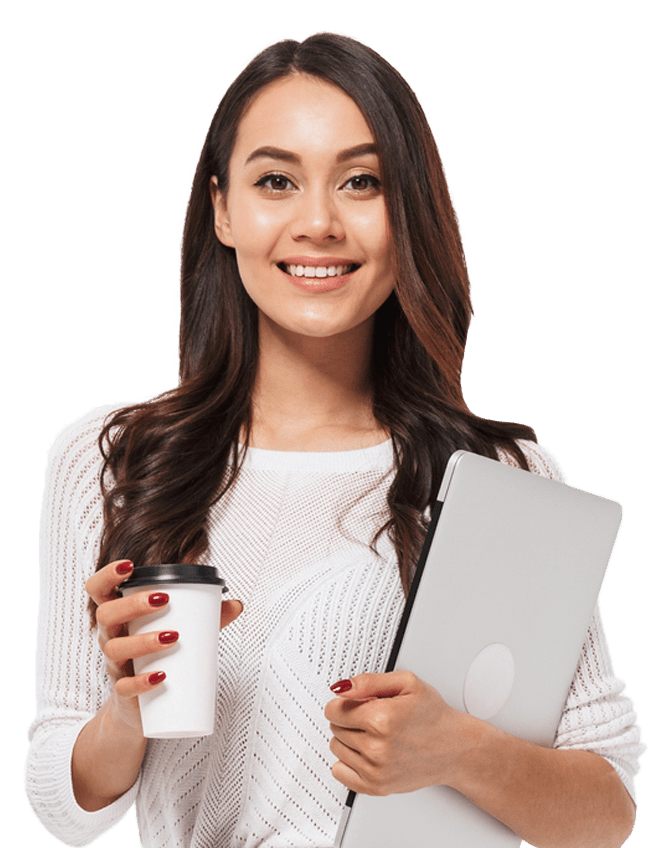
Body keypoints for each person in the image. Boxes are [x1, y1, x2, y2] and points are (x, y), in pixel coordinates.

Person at [24, 30, 645, 848]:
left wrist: (458, 752)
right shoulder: (111, 458)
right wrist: (127, 711)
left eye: (362, 182)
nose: (317, 223)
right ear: (222, 208)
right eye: (276, 181)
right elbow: (61, 808)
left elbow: (606, 811)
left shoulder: (498, 477)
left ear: (408, 210)